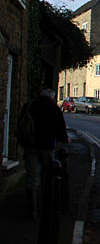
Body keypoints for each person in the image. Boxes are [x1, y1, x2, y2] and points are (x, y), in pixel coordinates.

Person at [18, 89, 70, 220]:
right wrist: (64, 139)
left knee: (32, 177)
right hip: (46, 146)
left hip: (30, 145)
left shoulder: (29, 105)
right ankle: (46, 205)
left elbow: (20, 124)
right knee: (48, 175)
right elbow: (61, 128)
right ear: (52, 97)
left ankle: (32, 210)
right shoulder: (54, 108)